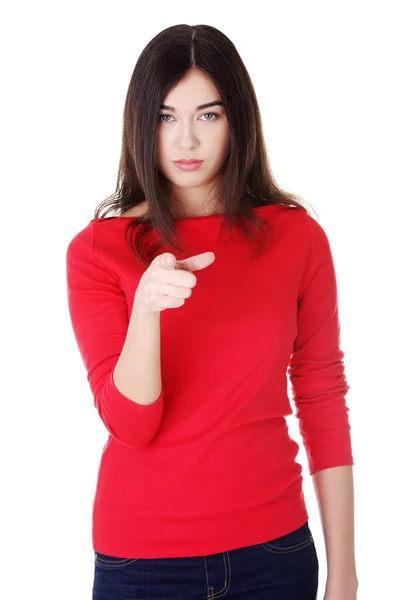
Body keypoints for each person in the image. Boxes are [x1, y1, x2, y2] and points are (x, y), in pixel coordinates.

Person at [66, 23, 358, 600]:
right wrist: (147, 308)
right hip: (142, 563)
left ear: (237, 121)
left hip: (275, 553)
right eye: (166, 117)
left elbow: (321, 394)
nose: (186, 141)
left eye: (208, 115)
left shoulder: (296, 238)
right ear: (140, 125)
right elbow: (131, 424)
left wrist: (344, 572)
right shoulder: (97, 251)